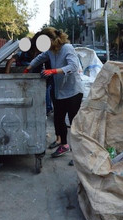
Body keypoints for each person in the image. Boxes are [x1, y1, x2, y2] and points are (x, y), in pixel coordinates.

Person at [24, 27, 84, 158]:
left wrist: (53, 71)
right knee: (58, 119)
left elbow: (73, 66)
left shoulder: (67, 48)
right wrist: (29, 67)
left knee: (74, 122)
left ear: (52, 39)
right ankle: (64, 145)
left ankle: (79, 153)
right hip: (59, 91)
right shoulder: (50, 51)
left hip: (73, 91)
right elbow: (41, 57)